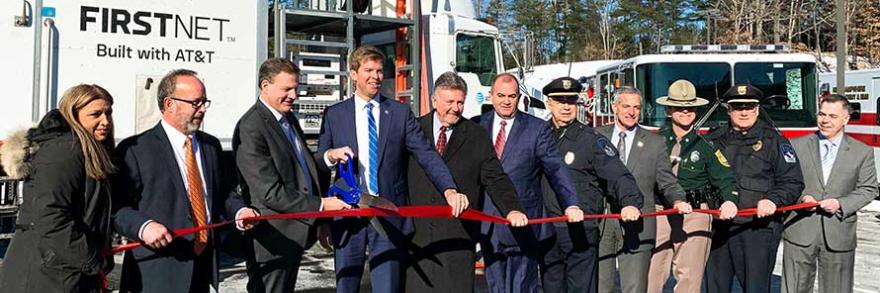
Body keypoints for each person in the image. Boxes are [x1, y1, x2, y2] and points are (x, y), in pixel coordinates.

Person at [316, 45, 466, 293]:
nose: (375, 76)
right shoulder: (334, 114)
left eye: (379, 70)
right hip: (347, 214)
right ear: (353, 74)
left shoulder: (399, 112)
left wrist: (449, 188)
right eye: (368, 70)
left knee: (388, 287)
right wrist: (330, 156)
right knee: (346, 286)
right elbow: (320, 165)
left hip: (387, 213)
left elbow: (426, 154)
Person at [113, 69, 259, 293]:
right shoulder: (136, 150)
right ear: (170, 104)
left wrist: (240, 212)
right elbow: (118, 208)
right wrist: (143, 226)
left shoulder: (210, 146)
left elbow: (223, 194)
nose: (202, 109)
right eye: (196, 102)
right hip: (156, 271)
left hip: (202, 267)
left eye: (204, 102)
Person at [233, 58, 351, 293]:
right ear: (265, 86)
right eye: (286, 89)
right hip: (272, 239)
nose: (294, 95)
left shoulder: (286, 119)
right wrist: (321, 205)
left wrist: (328, 157)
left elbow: (300, 166)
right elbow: (269, 192)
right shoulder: (252, 126)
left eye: (296, 88)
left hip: (291, 235)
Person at [405, 71, 528, 292]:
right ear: (434, 100)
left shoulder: (476, 135)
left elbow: (495, 177)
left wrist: (512, 209)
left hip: (458, 238)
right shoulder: (413, 130)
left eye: (460, 102)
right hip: (418, 238)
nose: (455, 108)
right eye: (449, 101)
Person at [473, 73, 585, 293]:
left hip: (525, 221)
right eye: (501, 95)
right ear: (491, 96)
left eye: (512, 96)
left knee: (522, 286)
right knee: (496, 287)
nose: (506, 101)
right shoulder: (476, 126)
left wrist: (571, 203)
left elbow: (556, 169)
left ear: (519, 97)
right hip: (488, 222)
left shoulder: (536, 129)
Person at [0, 84, 115, 292]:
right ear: (74, 115)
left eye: (108, 112)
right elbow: (52, 217)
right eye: (96, 114)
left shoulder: (86, 150)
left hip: (60, 269)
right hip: (47, 274)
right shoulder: (65, 151)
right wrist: (91, 259)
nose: (105, 121)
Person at [538, 77, 643, 293]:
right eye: (560, 101)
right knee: (551, 287)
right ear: (549, 103)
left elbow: (618, 175)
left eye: (571, 101)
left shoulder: (591, 140)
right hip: (547, 227)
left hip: (580, 229)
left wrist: (630, 202)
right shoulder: (539, 135)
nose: (566, 106)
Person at [704, 84, 805, 293]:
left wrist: (773, 200)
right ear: (728, 109)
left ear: (757, 109)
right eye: (738, 107)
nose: (744, 112)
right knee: (715, 287)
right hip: (719, 228)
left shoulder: (774, 141)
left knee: (755, 288)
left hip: (757, 229)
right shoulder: (712, 140)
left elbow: (792, 182)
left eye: (749, 107)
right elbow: (701, 179)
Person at [647, 80, 740, 293]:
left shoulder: (706, 146)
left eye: (690, 107)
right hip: (661, 212)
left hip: (695, 213)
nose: (686, 111)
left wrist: (729, 201)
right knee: (652, 273)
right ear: (669, 110)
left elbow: (725, 179)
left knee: (689, 277)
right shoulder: (654, 142)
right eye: (680, 107)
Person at [596, 86, 689, 293]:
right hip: (603, 222)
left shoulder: (655, 143)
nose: (631, 112)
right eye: (626, 106)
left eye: (636, 107)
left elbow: (667, 181)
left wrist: (677, 200)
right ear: (614, 107)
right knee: (600, 286)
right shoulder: (596, 136)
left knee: (635, 287)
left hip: (640, 223)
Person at [783, 94, 878, 293]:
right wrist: (802, 198)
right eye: (822, 114)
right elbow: (784, 181)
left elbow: (869, 189)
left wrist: (841, 203)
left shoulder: (862, 152)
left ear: (846, 119)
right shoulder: (795, 146)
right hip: (800, 230)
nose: (825, 120)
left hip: (839, 233)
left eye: (833, 116)